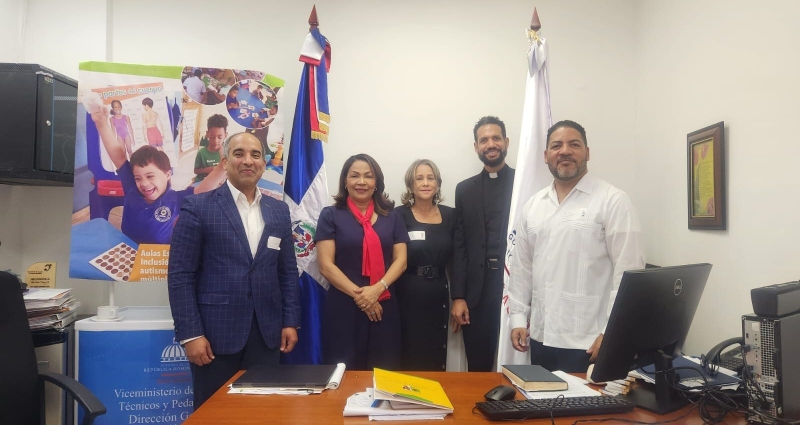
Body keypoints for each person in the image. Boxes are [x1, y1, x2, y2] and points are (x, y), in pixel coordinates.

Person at [168, 132, 301, 409]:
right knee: (215, 413)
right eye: (239, 153)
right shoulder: (199, 206)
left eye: (255, 155)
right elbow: (181, 275)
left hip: (267, 335)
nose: (248, 161)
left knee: (262, 413)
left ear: (263, 163)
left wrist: (290, 321)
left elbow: (287, 272)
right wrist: (191, 334)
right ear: (225, 161)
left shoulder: (278, 211)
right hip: (214, 337)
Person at [507, 120, 645, 373]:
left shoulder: (613, 201)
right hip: (540, 337)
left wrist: (611, 333)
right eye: (556, 146)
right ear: (546, 156)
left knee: (586, 413)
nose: (565, 151)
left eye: (574, 144)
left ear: (587, 152)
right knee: (542, 408)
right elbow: (522, 268)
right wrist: (517, 317)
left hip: (590, 342)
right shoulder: (533, 206)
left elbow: (629, 274)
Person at [316, 154, 409, 370]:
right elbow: (326, 265)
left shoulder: (392, 216)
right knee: (343, 371)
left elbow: (401, 261)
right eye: (354, 176)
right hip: (344, 306)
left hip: (384, 305)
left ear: (376, 182)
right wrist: (363, 296)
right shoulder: (330, 215)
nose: (361, 182)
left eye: (368, 176)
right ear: (345, 181)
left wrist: (377, 290)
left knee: (385, 370)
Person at [89, 105, 221, 245]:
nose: (144, 183)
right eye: (138, 178)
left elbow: (202, 189)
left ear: (168, 174)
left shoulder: (176, 199)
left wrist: (223, 167)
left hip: (157, 259)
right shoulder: (132, 187)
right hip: (129, 251)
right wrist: (101, 123)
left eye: (150, 176)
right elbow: (118, 155)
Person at [451, 115, 515, 371]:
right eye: (484, 140)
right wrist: (458, 296)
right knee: (478, 363)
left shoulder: (524, 185)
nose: (491, 144)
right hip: (477, 290)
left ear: (506, 142)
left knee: (516, 361)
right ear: (476, 147)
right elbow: (460, 246)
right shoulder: (464, 189)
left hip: (514, 286)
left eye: (496, 138)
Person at [395, 159, 454, 371]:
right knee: (409, 353)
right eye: (419, 178)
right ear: (411, 185)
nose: (425, 182)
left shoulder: (450, 215)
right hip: (407, 295)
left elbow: (457, 260)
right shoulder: (398, 215)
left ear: (438, 183)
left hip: (438, 295)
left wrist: (459, 298)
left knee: (435, 354)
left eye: (431, 178)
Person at [193, 114, 227, 183]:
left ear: (225, 135)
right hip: (202, 181)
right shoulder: (201, 153)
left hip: (219, 182)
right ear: (207, 134)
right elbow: (196, 171)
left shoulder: (227, 152)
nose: (216, 141)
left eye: (220, 137)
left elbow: (230, 171)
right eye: (212, 137)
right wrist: (207, 170)